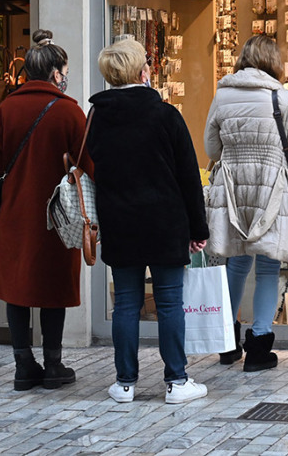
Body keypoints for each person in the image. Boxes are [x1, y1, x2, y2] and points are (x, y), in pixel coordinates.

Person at [87, 39, 209, 404]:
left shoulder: (96, 118)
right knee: (170, 301)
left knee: (126, 302)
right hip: (165, 220)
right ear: (144, 72)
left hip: (120, 219)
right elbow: (189, 176)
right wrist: (197, 229)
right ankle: (176, 380)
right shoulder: (165, 115)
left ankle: (125, 383)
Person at [204, 35, 288, 372]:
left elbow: (212, 149)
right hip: (271, 189)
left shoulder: (222, 95)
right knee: (269, 265)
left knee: (236, 262)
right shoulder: (281, 97)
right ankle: (259, 347)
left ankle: (227, 341)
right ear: (274, 62)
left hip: (232, 189)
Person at [0, 29, 89, 391]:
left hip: (14, 213)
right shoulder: (69, 112)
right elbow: (88, 163)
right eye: (64, 69)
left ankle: (23, 364)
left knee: (18, 287)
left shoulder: (6, 109)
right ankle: (54, 364)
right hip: (57, 217)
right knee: (52, 285)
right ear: (56, 72)